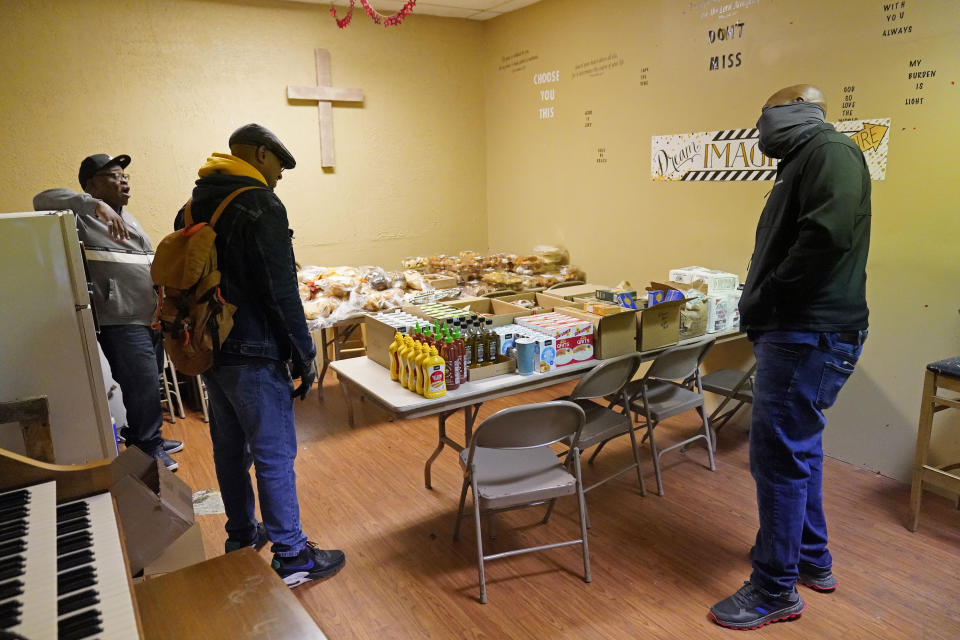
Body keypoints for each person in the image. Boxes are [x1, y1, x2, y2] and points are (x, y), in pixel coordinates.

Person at [709, 84, 871, 630]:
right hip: (803, 333)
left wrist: (771, 293)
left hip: (805, 334)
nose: (759, 131)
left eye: (764, 118)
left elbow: (826, 237)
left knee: (778, 460)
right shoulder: (805, 158)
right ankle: (810, 559)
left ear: (794, 113)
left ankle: (775, 589)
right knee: (799, 450)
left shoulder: (830, 152)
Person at [175, 123, 345, 587]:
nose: (280, 176)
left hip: (211, 348)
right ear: (258, 154)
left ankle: (241, 536)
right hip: (255, 348)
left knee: (230, 450)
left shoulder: (191, 204)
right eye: (278, 164)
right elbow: (280, 290)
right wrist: (304, 351)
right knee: (273, 453)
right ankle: (292, 556)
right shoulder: (259, 202)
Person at [34, 154, 182, 471]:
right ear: (91, 185)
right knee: (140, 382)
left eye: (125, 175)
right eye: (113, 175)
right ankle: (148, 448)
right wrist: (91, 204)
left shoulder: (130, 219)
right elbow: (41, 199)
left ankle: (145, 437)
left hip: (148, 318)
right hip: (120, 319)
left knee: (148, 381)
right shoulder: (83, 216)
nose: (123, 180)